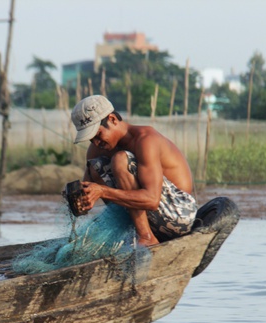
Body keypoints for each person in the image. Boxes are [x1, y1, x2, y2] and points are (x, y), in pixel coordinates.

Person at [71, 94, 197, 246]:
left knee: (120, 159)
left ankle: (147, 237)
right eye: (91, 139)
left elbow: (151, 200)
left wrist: (102, 191)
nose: (96, 143)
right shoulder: (97, 150)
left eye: (98, 135)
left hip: (178, 215)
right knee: (94, 166)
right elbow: (85, 199)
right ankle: (135, 232)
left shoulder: (145, 141)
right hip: (150, 216)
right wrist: (77, 199)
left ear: (112, 119)